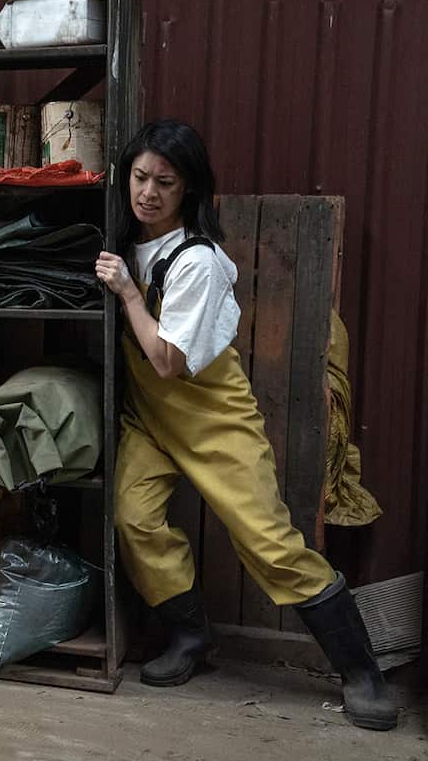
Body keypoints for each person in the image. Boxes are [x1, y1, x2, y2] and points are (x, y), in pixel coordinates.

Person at [94, 119, 397, 731]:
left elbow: (168, 362)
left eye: (165, 183)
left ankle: (361, 671)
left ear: (189, 191)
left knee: (270, 544)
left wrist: (128, 294)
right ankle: (189, 635)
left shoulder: (197, 262)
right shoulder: (126, 242)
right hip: (150, 420)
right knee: (133, 520)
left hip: (213, 421)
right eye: (140, 177)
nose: (148, 192)